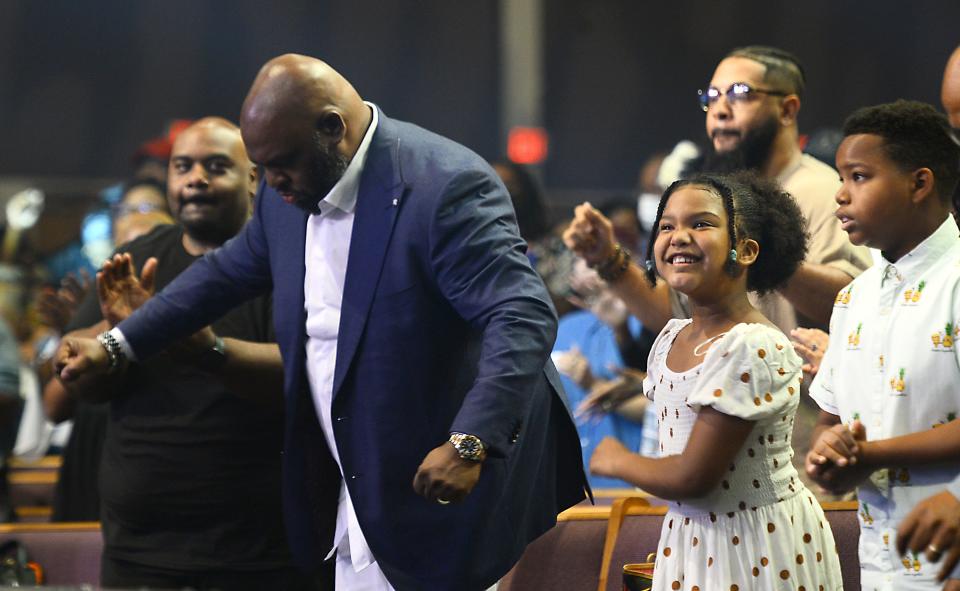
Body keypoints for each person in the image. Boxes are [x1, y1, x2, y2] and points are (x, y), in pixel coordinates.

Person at [57, 54, 587, 591]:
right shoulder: (285, 188)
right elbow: (221, 275)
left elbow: (520, 313)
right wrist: (117, 342)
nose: (272, 184)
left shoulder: (444, 186)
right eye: (262, 170)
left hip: (446, 480)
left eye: (282, 164)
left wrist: (471, 440)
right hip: (353, 483)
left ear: (333, 128)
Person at [53, 117, 324, 590]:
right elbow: (79, 388)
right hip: (140, 553)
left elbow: (307, 379)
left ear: (253, 180)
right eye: (183, 166)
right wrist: (112, 337)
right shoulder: (134, 259)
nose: (196, 178)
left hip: (260, 554)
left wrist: (206, 348)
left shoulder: (290, 260)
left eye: (216, 166)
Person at [589, 171, 842, 590]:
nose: (679, 235)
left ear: (745, 250)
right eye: (666, 225)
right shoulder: (670, 336)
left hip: (755, 546)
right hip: (693, 536)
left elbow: (693, 478)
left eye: (701, 224)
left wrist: (615, 459)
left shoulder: (752, 344)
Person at [805, 100, 960, 589]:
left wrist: (872, 454)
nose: (840, 197)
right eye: (840, 178)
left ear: (920, 183)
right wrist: (829, 457)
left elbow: (870, 449)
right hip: (881, 561)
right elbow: (830, 423)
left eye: (859, 177)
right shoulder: (854, 297)